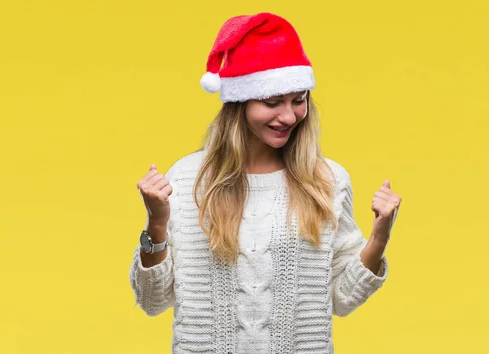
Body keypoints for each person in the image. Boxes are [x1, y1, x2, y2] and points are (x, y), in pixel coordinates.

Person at [129, 12, 402, 353]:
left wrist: (380, 235)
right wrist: (156, 222)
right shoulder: (188, 179)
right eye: (272, 102)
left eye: (298, 100)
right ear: (239, 104)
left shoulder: (327, 181)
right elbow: (152, 300)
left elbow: (343, 298)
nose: (288, 116)